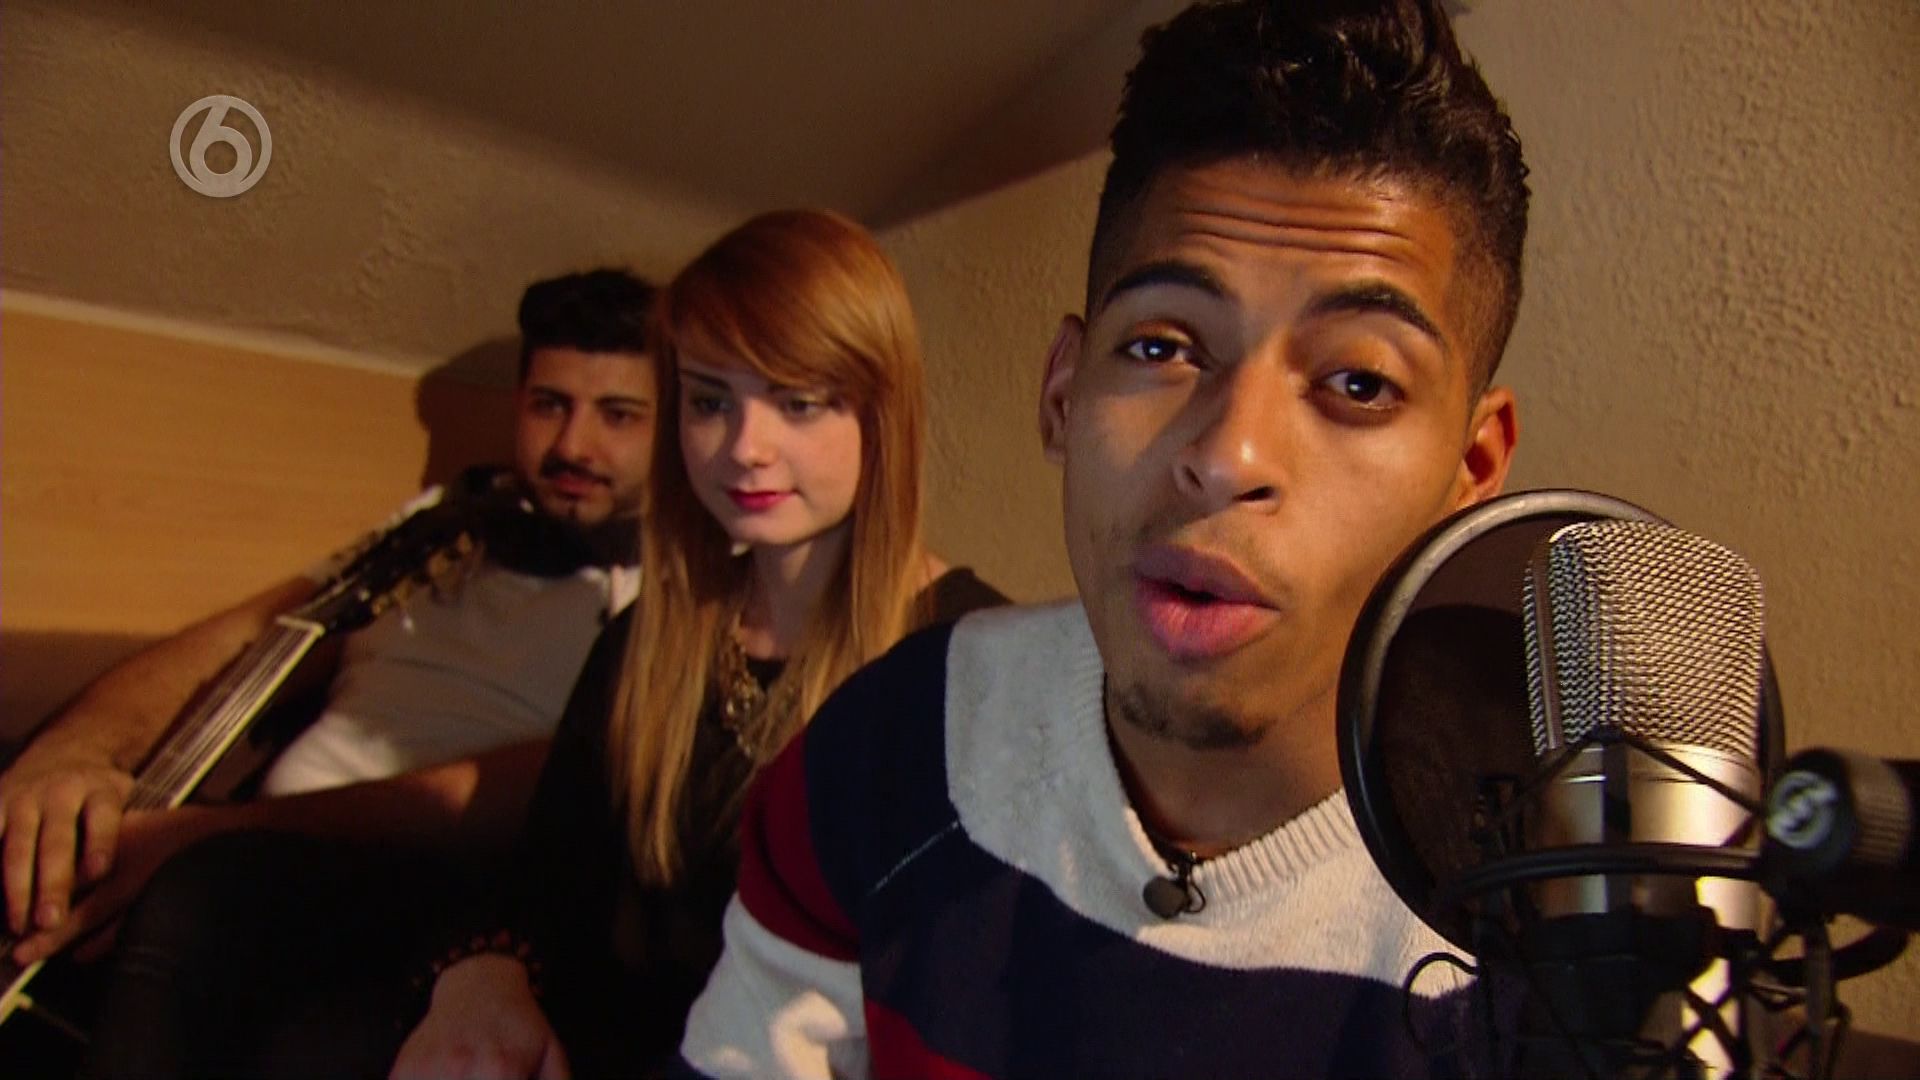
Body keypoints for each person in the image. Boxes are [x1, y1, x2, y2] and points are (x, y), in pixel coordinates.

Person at [677, 2, 1528, 1077]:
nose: (1227, 455)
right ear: (1063, 395)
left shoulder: (1561, 927)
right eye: (1164, 348)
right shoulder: (890, 750)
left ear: (1471, 471)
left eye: (1358, 382)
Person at [75, 209, 1004, 1079]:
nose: (743, 447)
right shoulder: (657, 636)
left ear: (880, 411)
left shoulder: (974, 659)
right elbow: (548, 881)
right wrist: (484, 973)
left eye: (797, 404)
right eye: (710, 401)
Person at [0, 268, 654, 974]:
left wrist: (216, 834)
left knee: (199, 897)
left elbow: (554, 786)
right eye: (549, 405)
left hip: (430, 906)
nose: (572, 445)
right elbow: (242, 640)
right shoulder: (442, 522)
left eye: (618, 416)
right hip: (242, 852)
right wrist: (72, 756)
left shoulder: (679, 590)